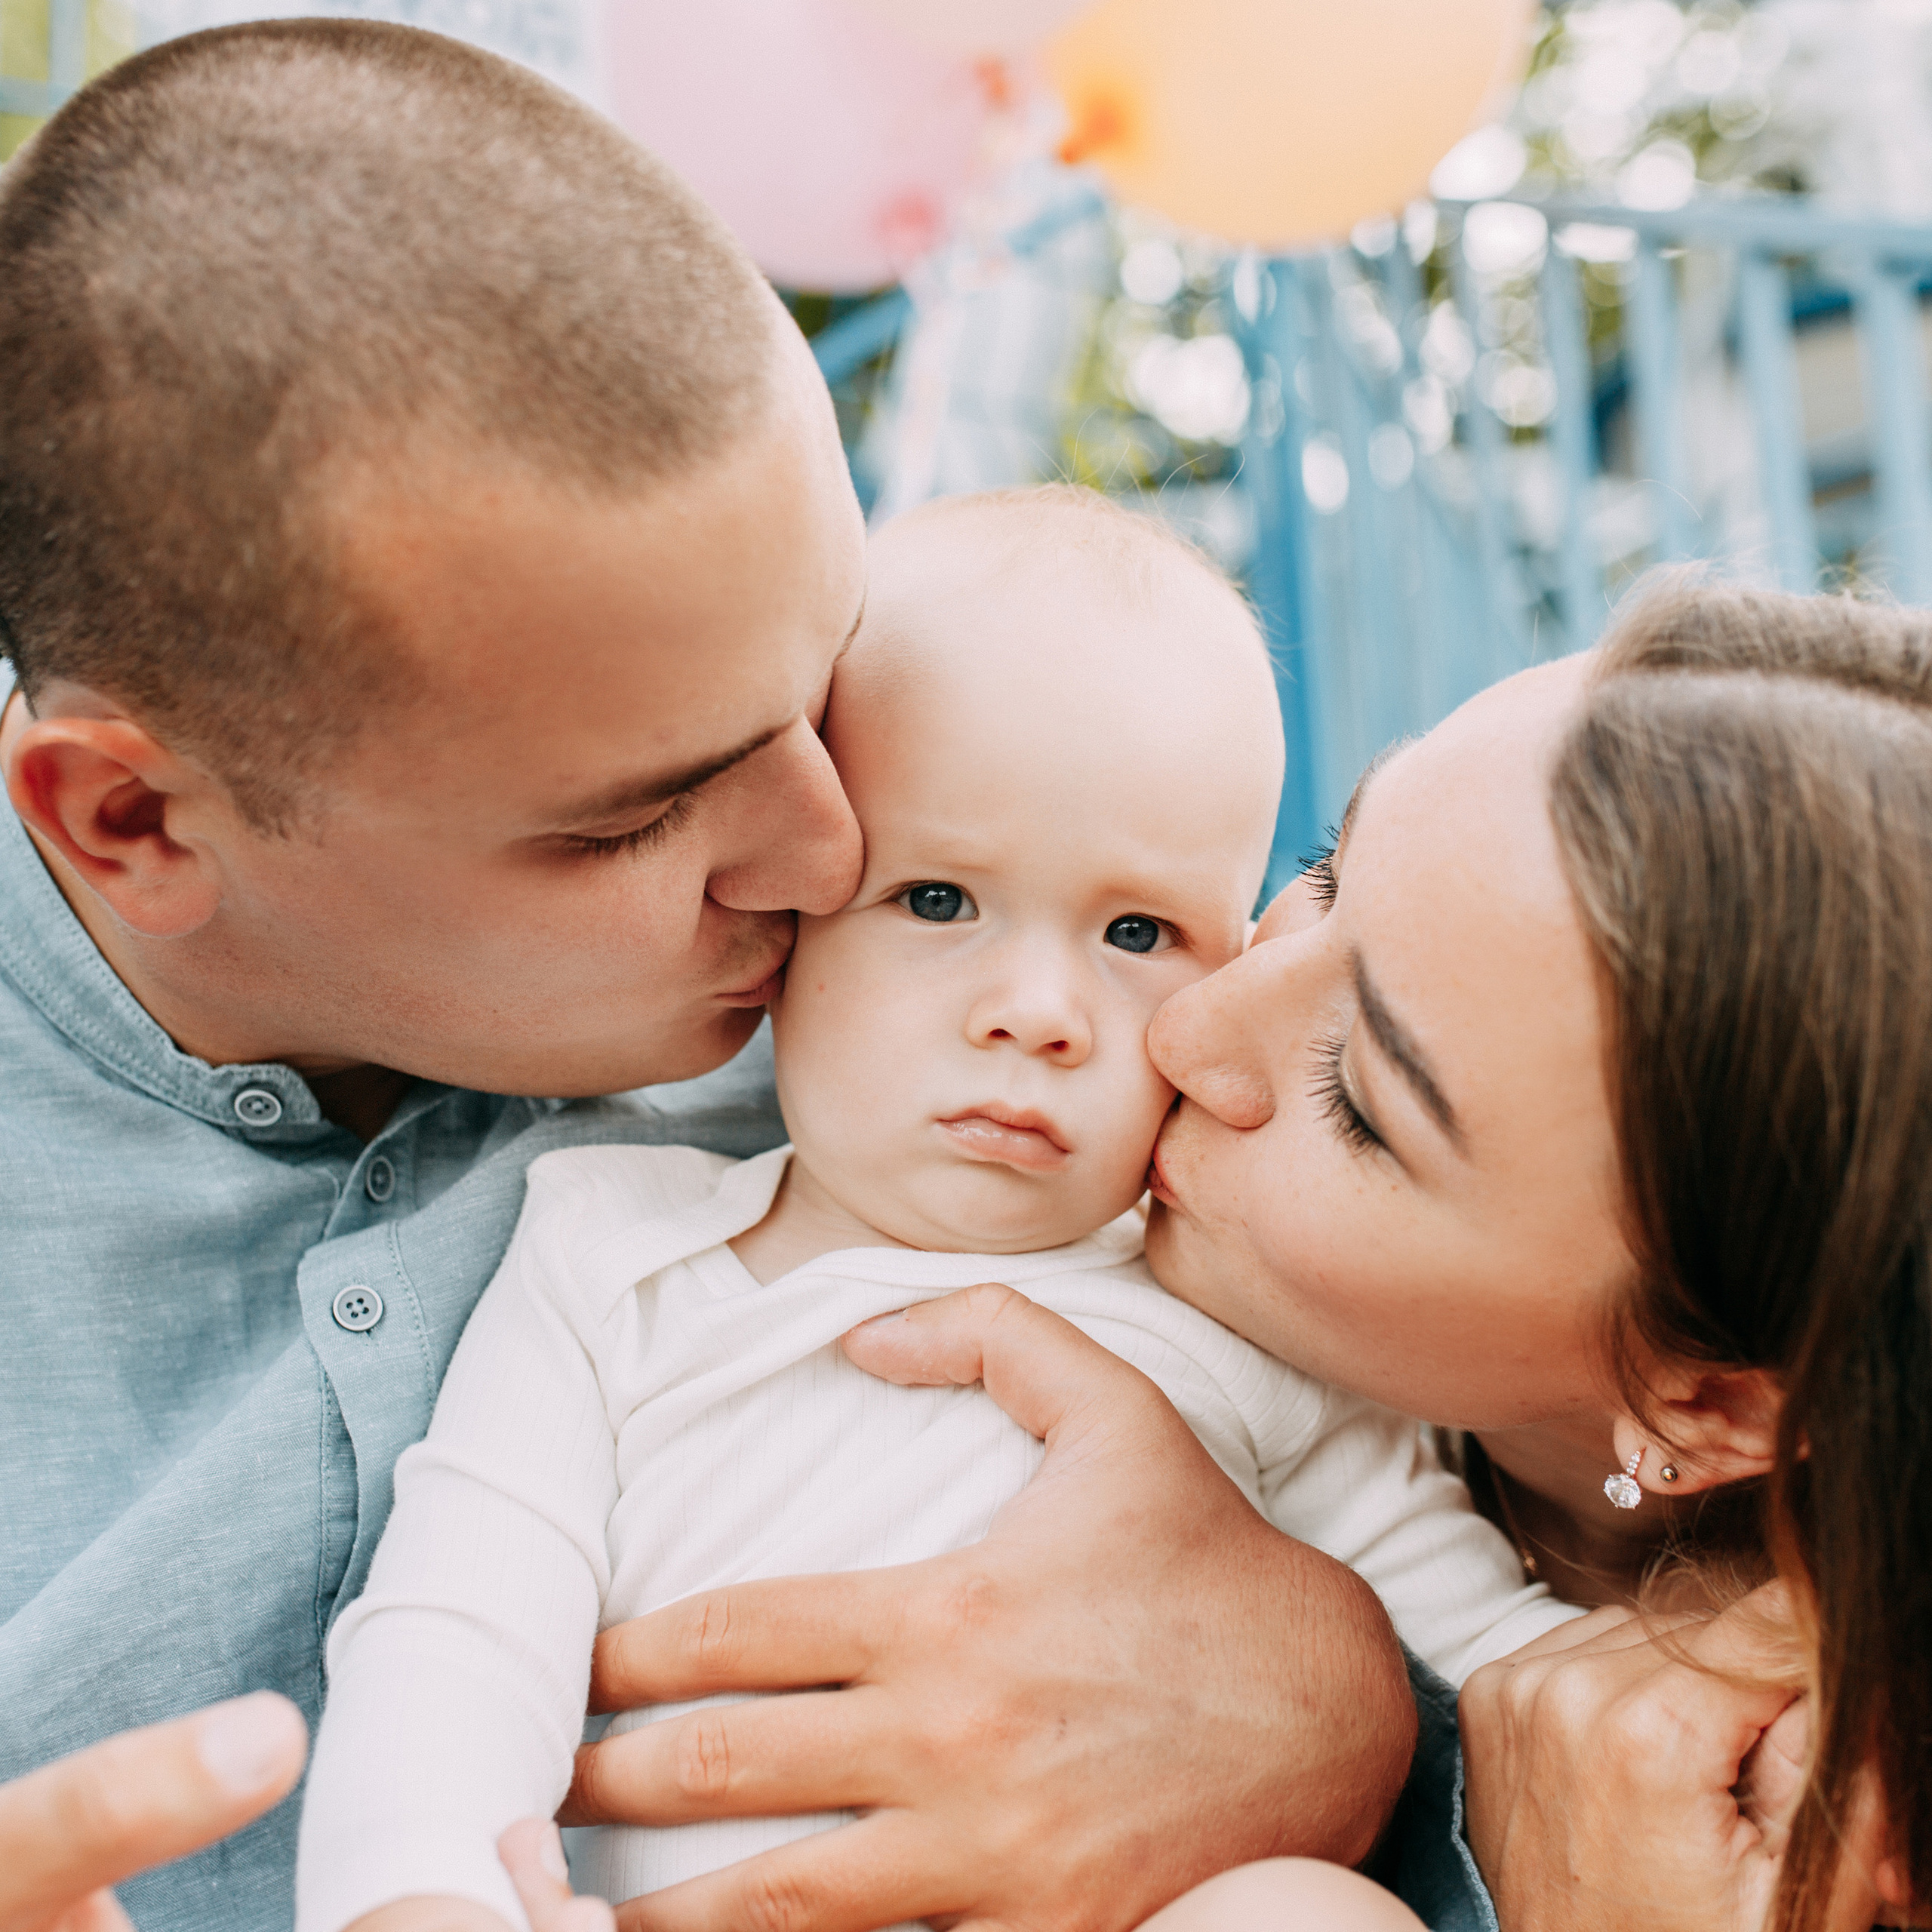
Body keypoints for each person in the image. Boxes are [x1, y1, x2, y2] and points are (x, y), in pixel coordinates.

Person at [0, 23, 1418, 1932]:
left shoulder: (967, 1067)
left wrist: (1336, 1700)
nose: (830, 856)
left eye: (815, 690)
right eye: (636, 814)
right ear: (133, 824)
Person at [292, 491, 1572, 1932]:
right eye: (937, 898)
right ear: (789, 920)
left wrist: (1674, 1713)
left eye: (1139, 933)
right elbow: (465, 1617)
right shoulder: (616, 1253)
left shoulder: (1238, 1306)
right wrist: (416, 1890)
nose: (1037, 1012)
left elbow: (1501, 1665)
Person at [826, 575, 1930, 1928]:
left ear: (1707, 1402)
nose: (1187, 1028)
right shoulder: (952, 1112)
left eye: (1358, 1100)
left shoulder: (1816, 1846)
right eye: (1327, 875)